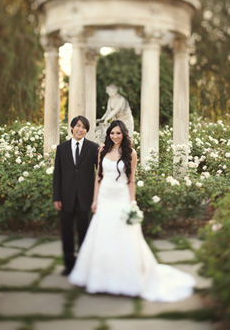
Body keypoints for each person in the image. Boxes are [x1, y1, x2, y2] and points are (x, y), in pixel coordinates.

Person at [69, 120, 195, 302]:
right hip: (104, 197)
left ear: (124, 134)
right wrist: (95, 200)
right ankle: (100, 277)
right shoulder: (102, 151)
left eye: (118, 133)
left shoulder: (131, 153)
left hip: (121, 198)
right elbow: (98, 177)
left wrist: (132, 202)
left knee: (123, 235)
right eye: (112, 133)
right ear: (109, 134)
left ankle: (127, 277)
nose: (115, 136)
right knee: (103, 234)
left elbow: (131, 179)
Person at [53, 116, 100, 276]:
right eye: (78, 126)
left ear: (87, 130)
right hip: (65, 198)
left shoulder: (94, 148)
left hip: (85, 198)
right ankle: (69, 265)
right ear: (72, 127)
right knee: (67, 233)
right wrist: (56, 197)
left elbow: (100, 172)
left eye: (84, 127)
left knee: (84, 233)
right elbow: (57, 175)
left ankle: (84, 266)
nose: (81, 129)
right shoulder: (62, 148)